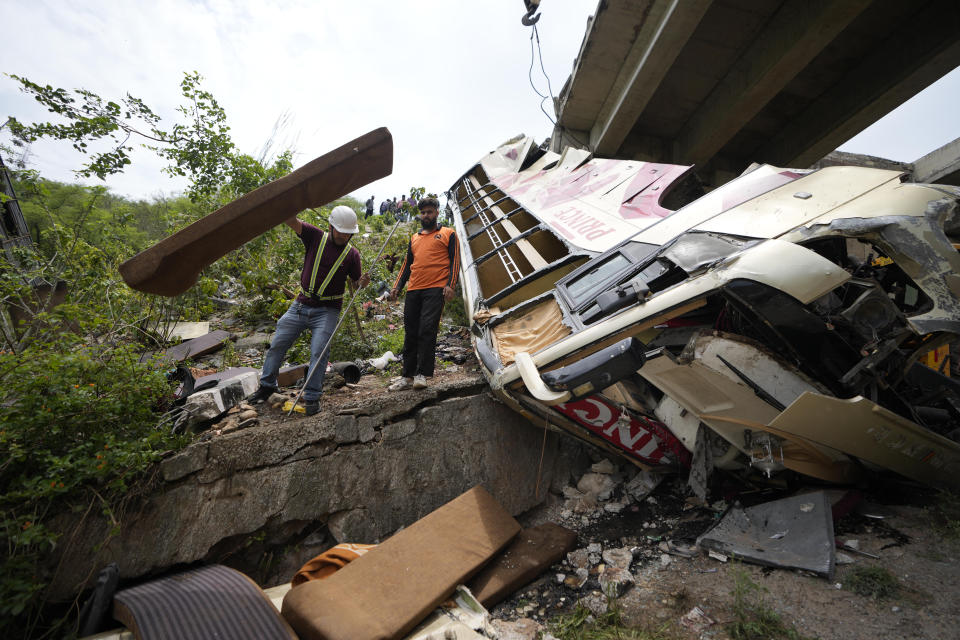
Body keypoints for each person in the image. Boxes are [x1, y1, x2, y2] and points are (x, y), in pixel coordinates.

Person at [247, 205, 370, 415]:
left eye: (348, 233)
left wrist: (362, 282)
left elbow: (356, 283)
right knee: (277, 343)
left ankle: (312, 398)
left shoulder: (352, 255)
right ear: (330, 226)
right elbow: (289, 219)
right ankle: (267, 386)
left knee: (319, 352)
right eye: (341, 231)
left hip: (328, 310)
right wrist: (299, 199)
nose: (344, 236)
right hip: (301, 304)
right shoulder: (314, 236)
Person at [387, 196, 459, 391]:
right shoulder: (415, 238)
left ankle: (422, 374)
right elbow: (406, 265)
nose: (426, 215)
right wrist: (397, 287)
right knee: (410, 332)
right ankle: (407, 377)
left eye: (429, 212)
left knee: (427, 329)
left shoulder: (448, 234)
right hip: (414, 289)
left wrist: (450, 285)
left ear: (437, 212)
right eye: (423, 212)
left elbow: (455, 260)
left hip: (435, 289)